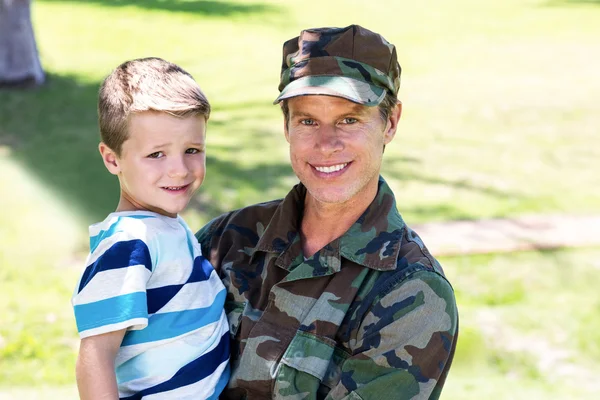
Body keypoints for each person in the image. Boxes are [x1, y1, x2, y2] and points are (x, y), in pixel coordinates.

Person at [196, 25, 459, 399]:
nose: (326, 144)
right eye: (307, 121)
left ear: (391, 123)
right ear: (286, 126)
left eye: (349, 120)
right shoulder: (228, 238)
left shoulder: (412, 294)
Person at [71, 57, 229, 400]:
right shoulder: (129, 244)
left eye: (192, 150)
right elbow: (96, 354)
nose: (179, 170)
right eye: (157, 154)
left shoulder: (166, 228)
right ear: (113, 159)